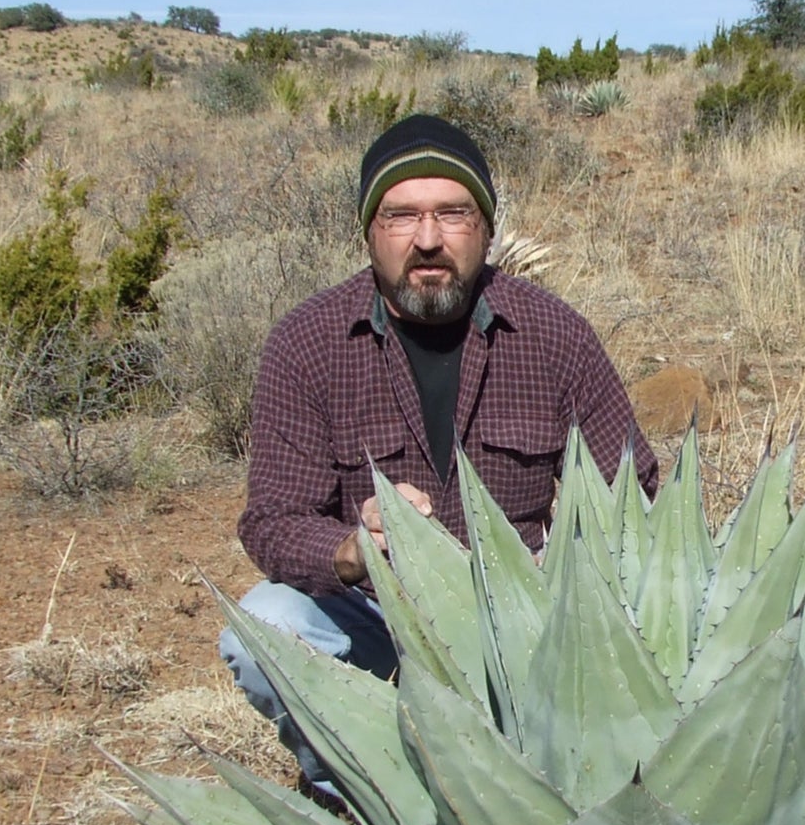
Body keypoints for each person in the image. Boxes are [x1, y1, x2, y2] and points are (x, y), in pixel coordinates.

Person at [221, 111, 658, 779]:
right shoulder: (307, 344)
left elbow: (636, 497)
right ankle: (356, 785)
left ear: (484, 228)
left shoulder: (553, 335)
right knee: (264, 628)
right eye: (400, 216)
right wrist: (348, 548)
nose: (427, 239)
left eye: (452, 213)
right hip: (379, 604)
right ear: (369, 231)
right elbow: (273, 521)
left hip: (527, 615)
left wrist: (567, 591)